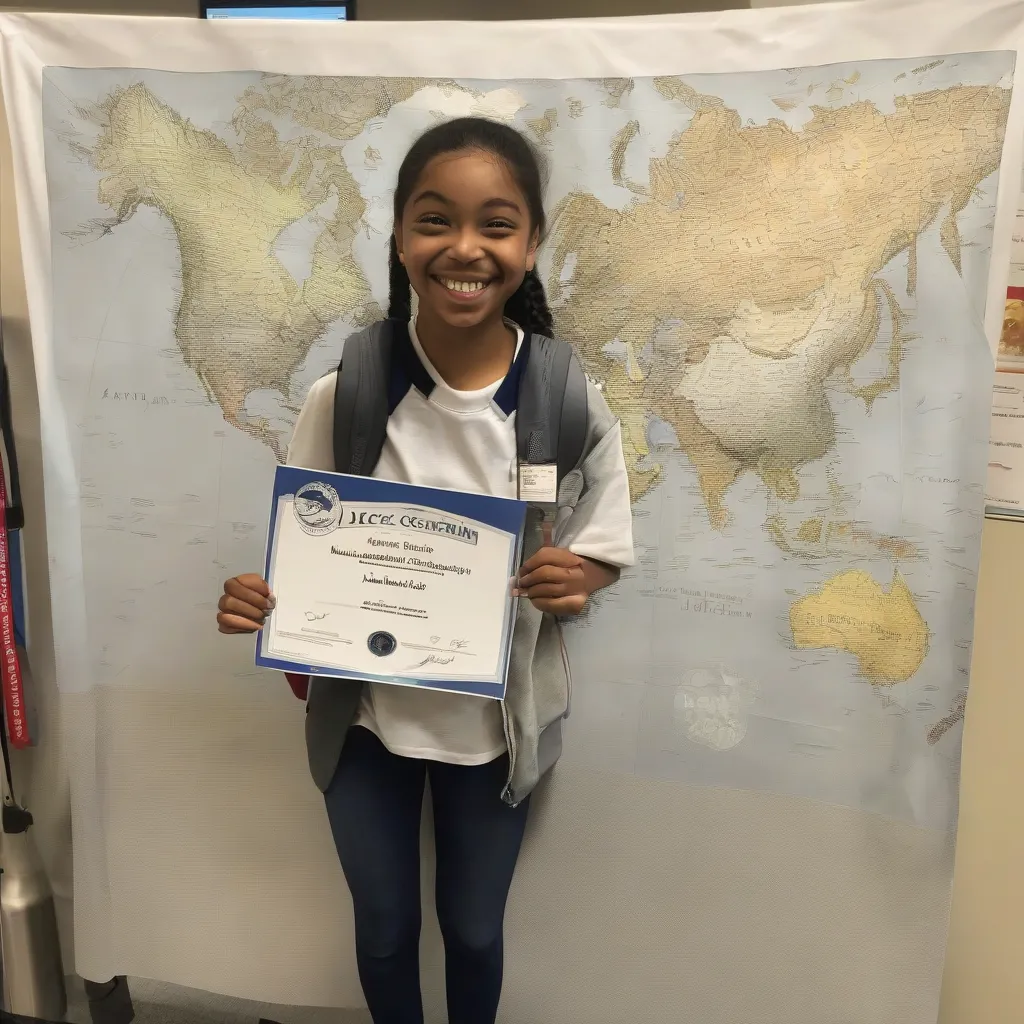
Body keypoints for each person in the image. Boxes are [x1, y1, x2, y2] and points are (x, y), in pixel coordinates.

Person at [216, 117, 634, 1024]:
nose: (465, 248)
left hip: (495, 730)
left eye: (497, 223)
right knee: (382, 929)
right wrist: (260, 599)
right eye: (435, 219)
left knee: (476, 934)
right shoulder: (352, 388)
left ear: (531, 244)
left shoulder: (565, 396)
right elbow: (306, 544)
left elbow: (603, 539)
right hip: (363, 722)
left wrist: (582, 579)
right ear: (401, 237)